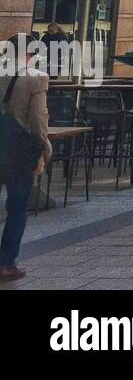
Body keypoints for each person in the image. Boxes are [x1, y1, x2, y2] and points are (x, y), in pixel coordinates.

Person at [1, 33, 51, 282]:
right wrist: (43, 150)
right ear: (30, 54)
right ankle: (6, 263)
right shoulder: (36, 78)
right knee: (17, 207)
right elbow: (38, 119)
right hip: (17, 151)